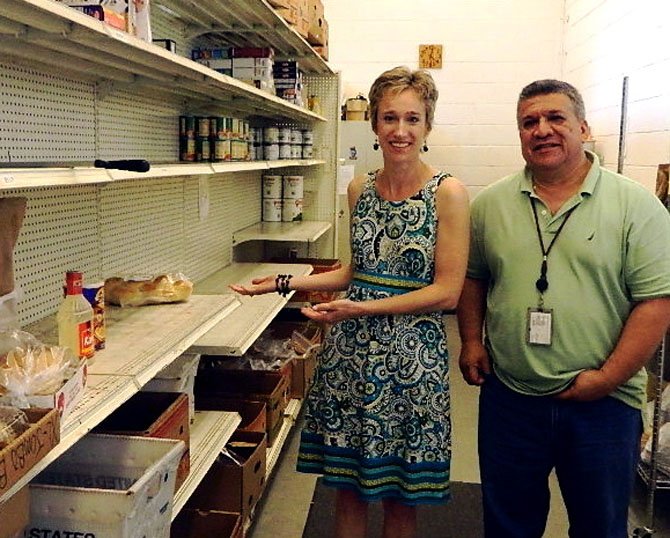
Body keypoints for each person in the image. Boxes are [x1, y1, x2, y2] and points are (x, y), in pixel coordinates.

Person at [230, 66, 470, 538]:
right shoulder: (360, 187)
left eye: (412, 119)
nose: (400, 131)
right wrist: (283, 282)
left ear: (427, 126)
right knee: (348, 485)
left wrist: (363, 308)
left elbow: (448, 291)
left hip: (412, 360)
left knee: (403, 492)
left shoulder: (448, 193)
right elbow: (355, 271)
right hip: (352, 357)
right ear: (375, 125)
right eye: (389, 118)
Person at [456, 79, 670, 538]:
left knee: (599, 526)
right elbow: (474, 278)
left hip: (604, 405)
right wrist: (472, 341)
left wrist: (607, 378)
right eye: (529, 122)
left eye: (556, 118)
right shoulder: (490, 205)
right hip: (510, 398)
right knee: (509, 523)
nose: (542, 130)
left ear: (583, 127)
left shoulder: (636, 205)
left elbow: (656, 303)